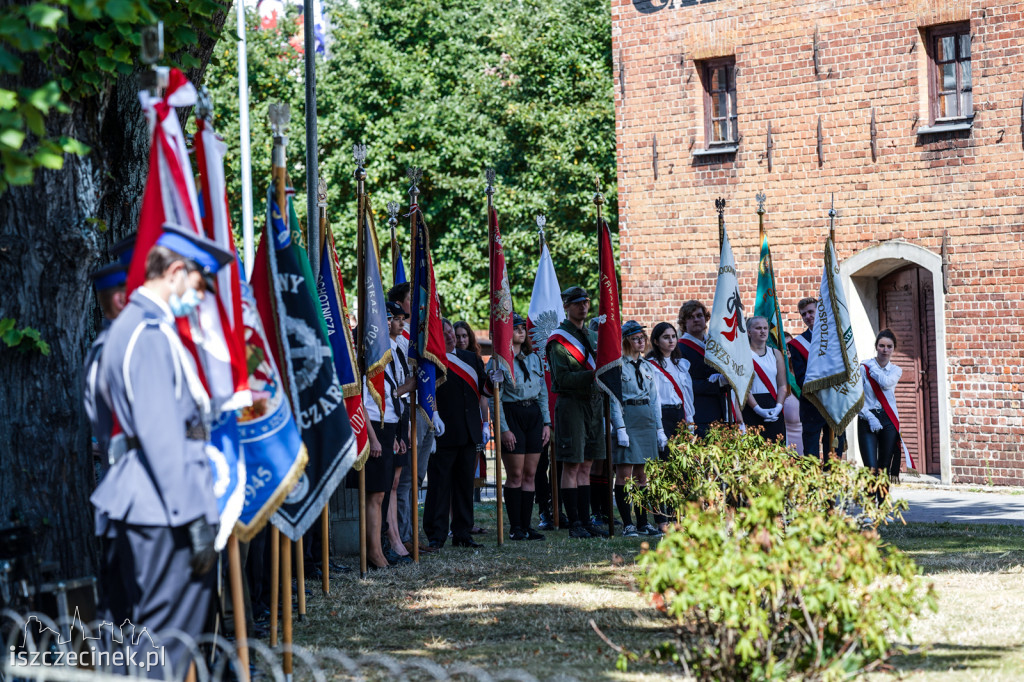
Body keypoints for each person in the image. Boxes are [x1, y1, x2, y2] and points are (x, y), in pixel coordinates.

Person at [92, 225, 232, 675]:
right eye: (198, 285)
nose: (201, 298)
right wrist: (195, 518)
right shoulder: (147, 332)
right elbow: (161, 437)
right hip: (166, 511)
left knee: (146, 644)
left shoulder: (137, 327)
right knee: (164, 650)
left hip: (152, 505)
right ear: (175, 272)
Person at [545, 286, 609, 539]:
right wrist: (594, 375)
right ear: (567, 306)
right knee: (572, 463)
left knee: (588, 463)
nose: (583, 306)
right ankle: (574, 522)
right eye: (577, 303)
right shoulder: (558, 340)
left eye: (586, 302)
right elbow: (561, 378)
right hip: (572, 404)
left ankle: (586, 519)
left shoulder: (593, 337)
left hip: (593, 403)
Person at [424, 319, 491, 549]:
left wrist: (495, 379)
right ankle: (436, 534)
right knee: (439, 486)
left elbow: (484, 389)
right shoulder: (433, 360)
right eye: (444, 333)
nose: (451, 336)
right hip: (444, 432)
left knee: (464, 486)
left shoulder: (471, 359)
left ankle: (463, 533)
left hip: (469, 431)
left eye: (451, 331)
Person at [487, 313, 550, 541]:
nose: (521, 331)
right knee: (515, 473)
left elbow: (542, 393)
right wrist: (503, 429)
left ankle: (527, 525)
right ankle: (515, 527)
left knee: (531, 473)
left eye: (523, 328)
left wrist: (546, 423)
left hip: (533, 414)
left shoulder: (533, 358)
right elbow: (496, 399)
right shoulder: (498, 361)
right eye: (515, 328)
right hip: (512, 414)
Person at [388, 282, 436, 552]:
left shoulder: (417, 334)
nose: (417, 305)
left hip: (423, 409)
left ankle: (410, 533)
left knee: (416, 478)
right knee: (404, 478)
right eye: (411, 300)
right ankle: (404, 537)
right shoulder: (395, 338)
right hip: (403, 409)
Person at [610, 321, 664, 538]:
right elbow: (614, 399)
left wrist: (659, 429)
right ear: (625, 341)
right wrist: (620, 427)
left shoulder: (647, 366)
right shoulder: (618, 365)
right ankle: (627, 524)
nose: (641, 341)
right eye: (635, 338)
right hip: (628, 418)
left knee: (643, 476)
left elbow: (654, 399)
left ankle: (643, 523)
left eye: (642, 337)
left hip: (646, 419)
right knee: (624, 474)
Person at [646, 321, 695, 531]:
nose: (671, 340)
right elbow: (654, 397)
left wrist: (690, 421)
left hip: (680, 414)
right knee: (661, 469)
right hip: (662, 415)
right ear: (656, 341)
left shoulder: (681, 364)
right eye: (666, 337)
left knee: (681, 469)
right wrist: (658, 428)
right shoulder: (651, 365)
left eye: (673, 336)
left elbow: (688, 396)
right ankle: (661, 519)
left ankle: (678, 516)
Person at [378, 302, 417, 565]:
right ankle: (388, 539)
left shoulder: (400, 346)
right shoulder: (381, 349)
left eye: (403, 318)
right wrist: (408, 387)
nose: (402, 323)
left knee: (395, 483)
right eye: (396, 319)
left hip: (400, 416)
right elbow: (386, 389)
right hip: (386, 416)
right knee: (385, 484)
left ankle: (396, 538)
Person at [788, 297, 846, 462]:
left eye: (810, 312)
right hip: (811, 404)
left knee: (834, 454)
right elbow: (800, 378)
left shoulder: (836, 338)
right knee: (811, 455)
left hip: (835, 403)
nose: (808, 316)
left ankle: (832, 486)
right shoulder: (797, 344)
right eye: (803, 314)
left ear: (819, 311)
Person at [858, 330, 904, 489]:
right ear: (876, 347)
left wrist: (874, 369)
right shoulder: (863, 368)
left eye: (889, 346)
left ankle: (882, 508)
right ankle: (870, 509)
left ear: (893, 349)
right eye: (881, 346)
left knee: (884, 467)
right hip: (867, 418)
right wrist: (868, 416)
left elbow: (886, 383)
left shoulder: (896, 370)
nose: (885, 350)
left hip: (888, 420)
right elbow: (857, 397)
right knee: (870, 468)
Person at [676, 300, 729, 436]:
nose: (696, 320)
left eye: (699, 316)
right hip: (699, 414)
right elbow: (685, 385)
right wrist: (717, 383)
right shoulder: (680, 349)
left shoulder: (715, 345)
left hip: (723, 411)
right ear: (683, 323)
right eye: (690, 317)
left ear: (706, 319)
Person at [743, 316, 788, 442]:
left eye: (765, 328)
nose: (762, 331)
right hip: (751, 407)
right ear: (749, 332)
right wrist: (758, 409)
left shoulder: (775, 353)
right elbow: (743, 388)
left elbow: (782, 385)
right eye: (758, 328)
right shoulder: (743, 355)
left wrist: (778, 407)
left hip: (773, 405)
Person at [782, 332, 804, 455]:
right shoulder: (779, 374)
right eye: (784, 346)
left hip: (804, 430)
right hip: (786, 432)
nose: (788, 349)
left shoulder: (801, 369)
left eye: (790, 345)